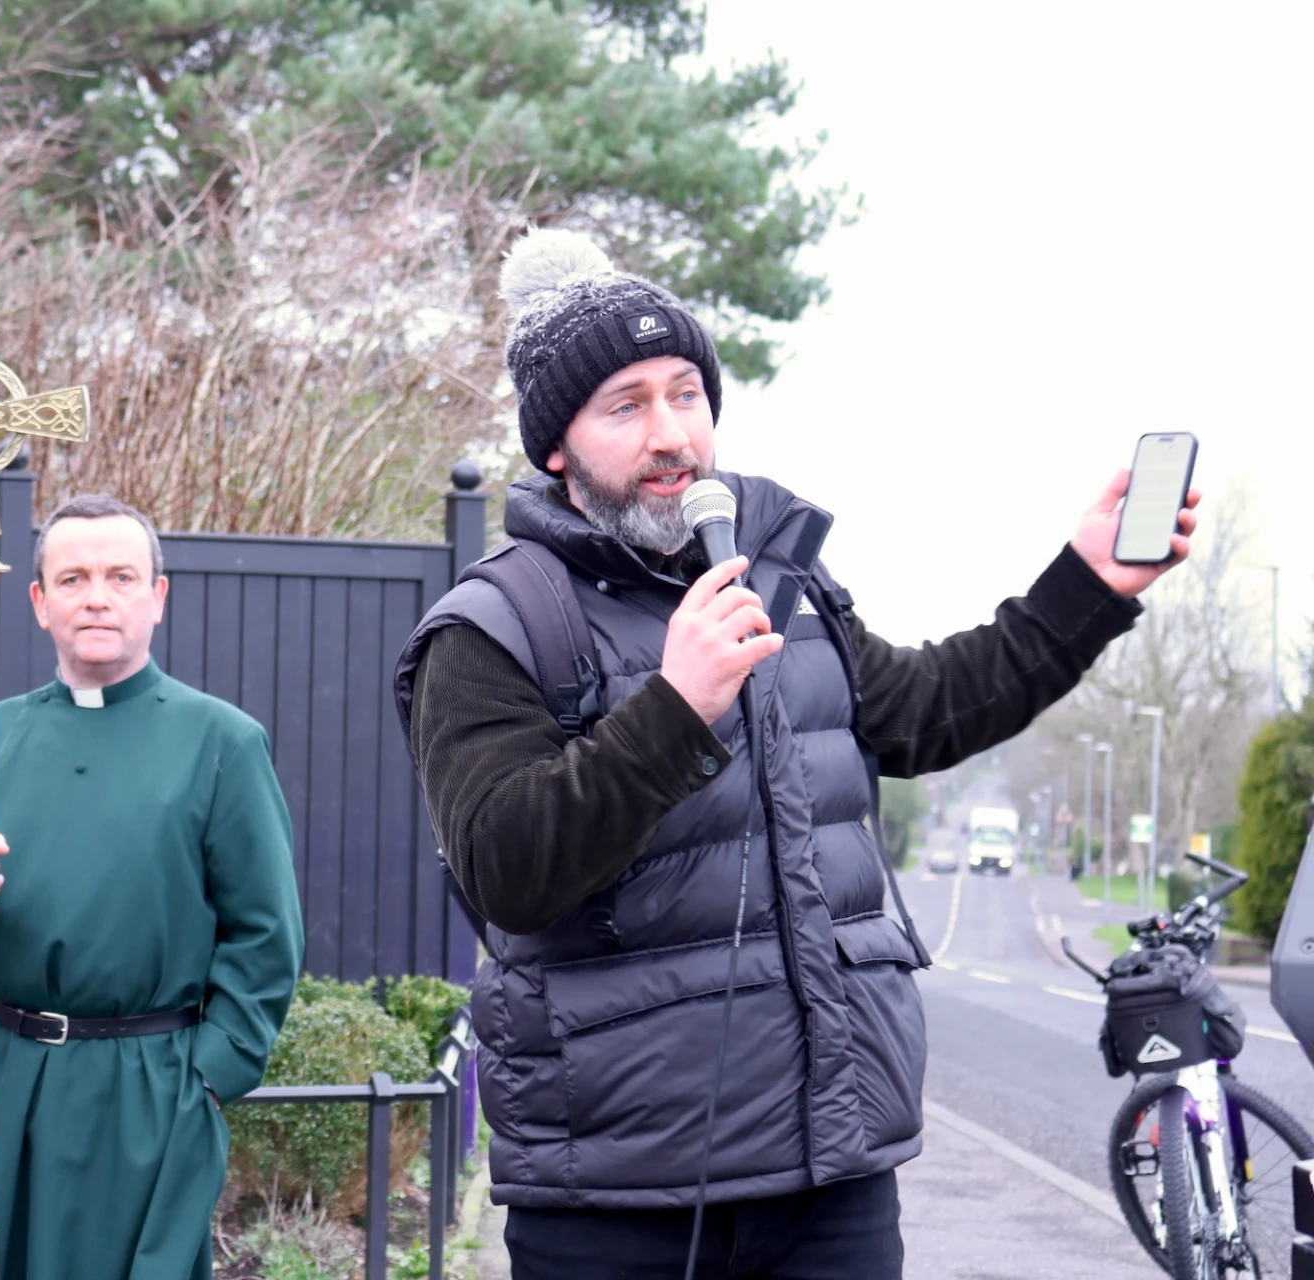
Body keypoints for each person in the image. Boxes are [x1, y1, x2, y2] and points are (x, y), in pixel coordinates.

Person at [394, 227, 1198, 1279]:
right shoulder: (494, 627)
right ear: (557, 446)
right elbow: (508, 868)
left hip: (832, 1175)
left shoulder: (786, 587)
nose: (672, 431)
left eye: (687, 392)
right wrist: (675, 705)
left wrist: (1084, 585)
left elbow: (931, 710)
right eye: (626, 406)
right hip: (617, 1196)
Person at [0, 494, 304, 1280]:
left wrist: (210, 1078)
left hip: (143, 1088)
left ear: (158, 594)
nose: (98, 596)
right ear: (40, 603)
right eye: (73, 578)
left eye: (121, 575)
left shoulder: (221, 741)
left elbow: (266, 936)